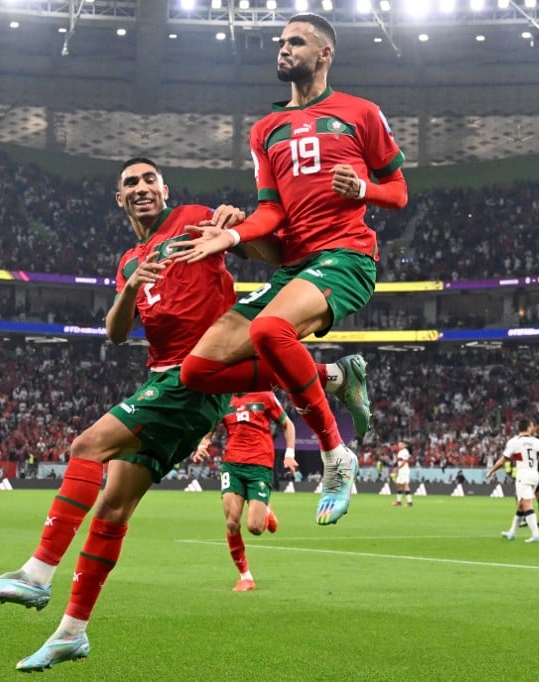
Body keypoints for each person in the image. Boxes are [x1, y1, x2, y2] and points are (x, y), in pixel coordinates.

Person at [0, 157, 247, 672]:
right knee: (112, 508)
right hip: (164, 378)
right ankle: (72, 633)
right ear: (119, 198)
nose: (141, 188)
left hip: (195, 375)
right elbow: (117, 334)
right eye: (130, 184)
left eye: (148, 180)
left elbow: (254, 239)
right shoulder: (128, 260)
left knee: (86, 446)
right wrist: (132, 285)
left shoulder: (195, 217)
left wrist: (235, 222)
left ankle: (36, 574)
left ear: (165, 188)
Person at [170, 13, 409, 527]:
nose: (283, 49)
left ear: (324, 54)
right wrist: (233, 235)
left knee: (270, 328)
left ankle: (335, 454)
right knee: (199, 370)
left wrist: (363, 189)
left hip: (345, 258)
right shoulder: (265, 130)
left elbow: (399, 191)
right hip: (294, 268)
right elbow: (272, 213)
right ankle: (333, 375)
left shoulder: (361, 114)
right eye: (281, 42)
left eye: (295, 42)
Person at [192, 390, 297, 592]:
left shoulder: (265, 396)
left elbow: (287, 424)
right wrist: (203, 445)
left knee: (255, 528)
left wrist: (289, 454)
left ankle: (264, 509)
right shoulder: (223, 399)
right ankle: (245, 577)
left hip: (260, 467)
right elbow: (209, 431)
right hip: (232, 466)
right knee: (232, 522)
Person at [486, 418, 539, 543]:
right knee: (520, 504)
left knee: (526, 504)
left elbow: (502, 461)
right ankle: (511, 532)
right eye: (532, 426)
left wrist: (491, 471)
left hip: (523, 476)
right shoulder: (538, 442)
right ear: (528, 428)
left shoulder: (514, 442)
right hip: (535, 475)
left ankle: (536, 535)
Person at [391, 441, 412, 506]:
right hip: (401, 470)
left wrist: (397, 469)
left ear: (404, 445)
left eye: (401, 444)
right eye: (399, 444)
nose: (399, 445)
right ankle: (398, 501)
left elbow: (404, 462)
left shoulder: (405, 452)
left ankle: (409, 502)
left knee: (405, 484)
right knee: (399, 484)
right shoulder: (400, 452)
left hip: (404, 470)